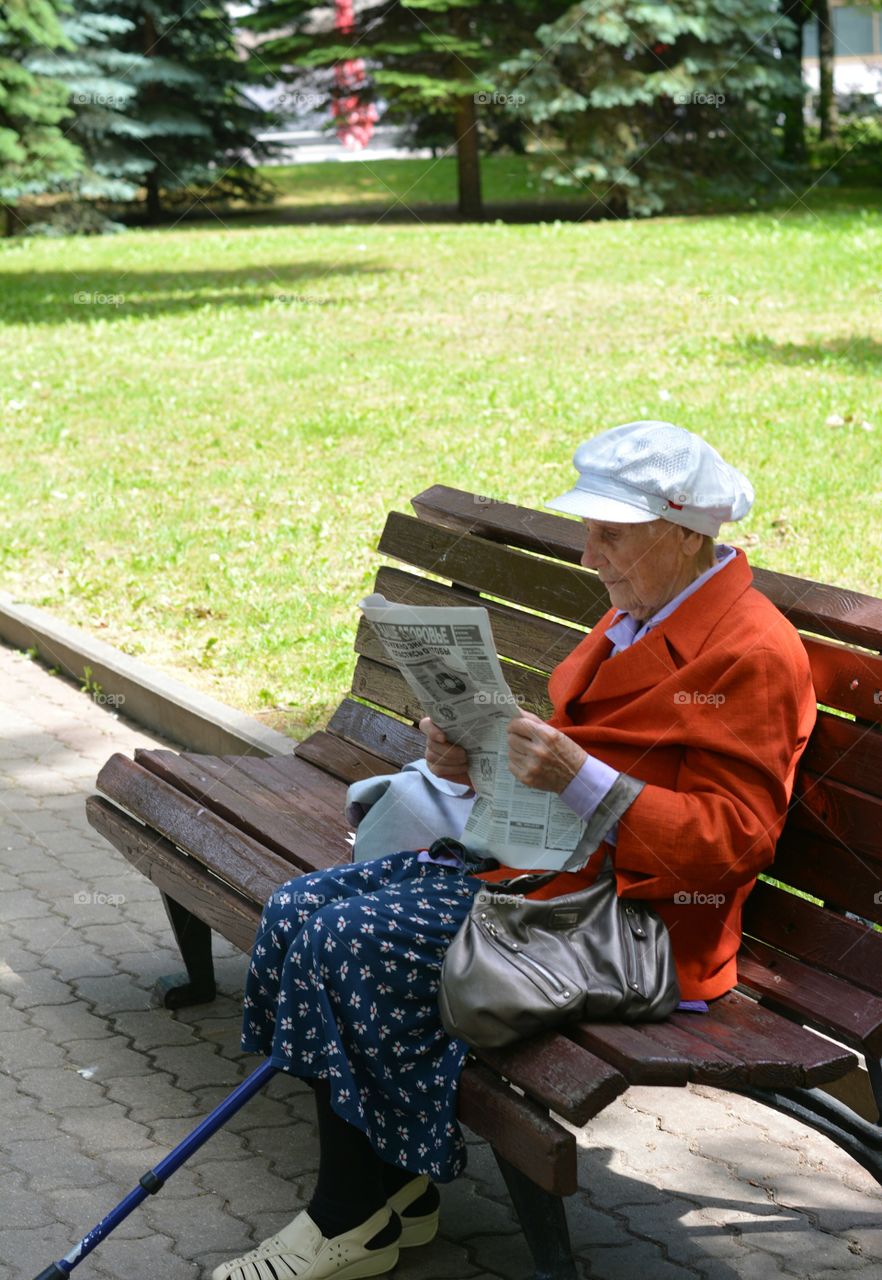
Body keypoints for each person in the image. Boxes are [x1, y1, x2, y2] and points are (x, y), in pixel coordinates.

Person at [212, 420, 816, 1280]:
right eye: (589, 528)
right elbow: (587, 753)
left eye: (612, 533)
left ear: (685, 533)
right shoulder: (647, 606)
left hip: (636, 929)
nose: (588, 552)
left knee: (348, 940)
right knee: (301, 906)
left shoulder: (750, 651)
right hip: (553, 878)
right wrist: (471, 759)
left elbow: (735, 841)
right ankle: (390, 1192)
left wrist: (581, 779)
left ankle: (348, 1217)